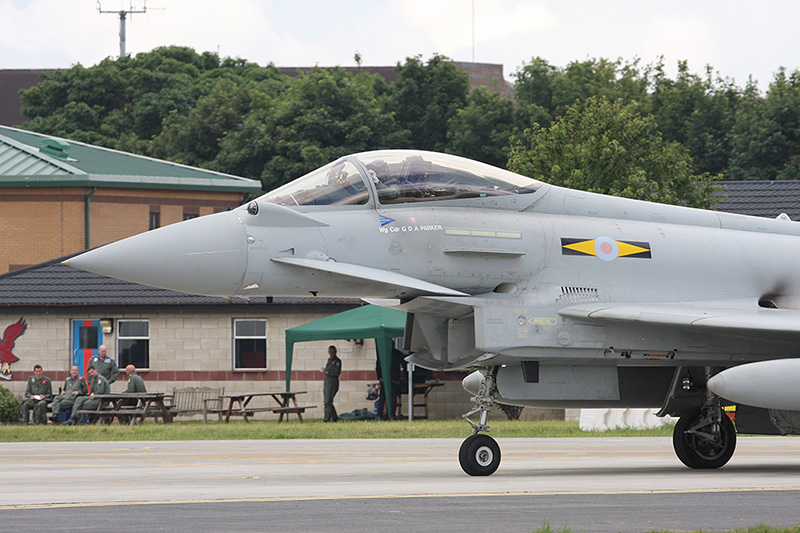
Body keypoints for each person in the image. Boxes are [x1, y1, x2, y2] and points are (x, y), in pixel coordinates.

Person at [322, 345, 341, 422]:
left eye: (332, 352)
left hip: (332, 384)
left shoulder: (337, 361)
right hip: (327, 383)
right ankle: (334, 417)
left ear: (335, 352)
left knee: (327, 402)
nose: (331, 353)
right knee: (328, 401)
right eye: (330, 352)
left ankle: (326, 418)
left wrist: (327, 371)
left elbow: (336, 372)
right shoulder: (329, 360)